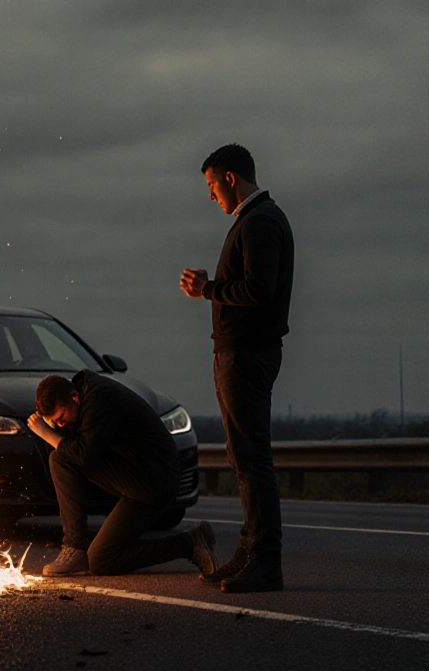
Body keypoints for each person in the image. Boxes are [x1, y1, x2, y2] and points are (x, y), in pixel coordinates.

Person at [180, 143, 294, 593]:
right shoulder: (253, 221)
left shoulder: (261, 221)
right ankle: (250, 553)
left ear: (230, 179)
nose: (211, 196)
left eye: (211, 185)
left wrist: (209, 289)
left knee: (251, 461)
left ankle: (265, 562)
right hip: (239, 352)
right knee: (244, 459)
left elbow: (258, 290)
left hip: (246, 355)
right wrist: (212, 288)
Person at [26, 371, 217, 577]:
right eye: (56, 422)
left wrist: (46, 433)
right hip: (131, 477)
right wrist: (55, 430)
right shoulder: (80, 402)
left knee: (100, 561)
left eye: (61, 418)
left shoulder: (99, 398)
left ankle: (189, 543)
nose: (61, 424)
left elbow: (83, 456)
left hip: (153, 480)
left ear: (73, 396)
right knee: (60, 457)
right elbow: (69, 450)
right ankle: (74, 548)